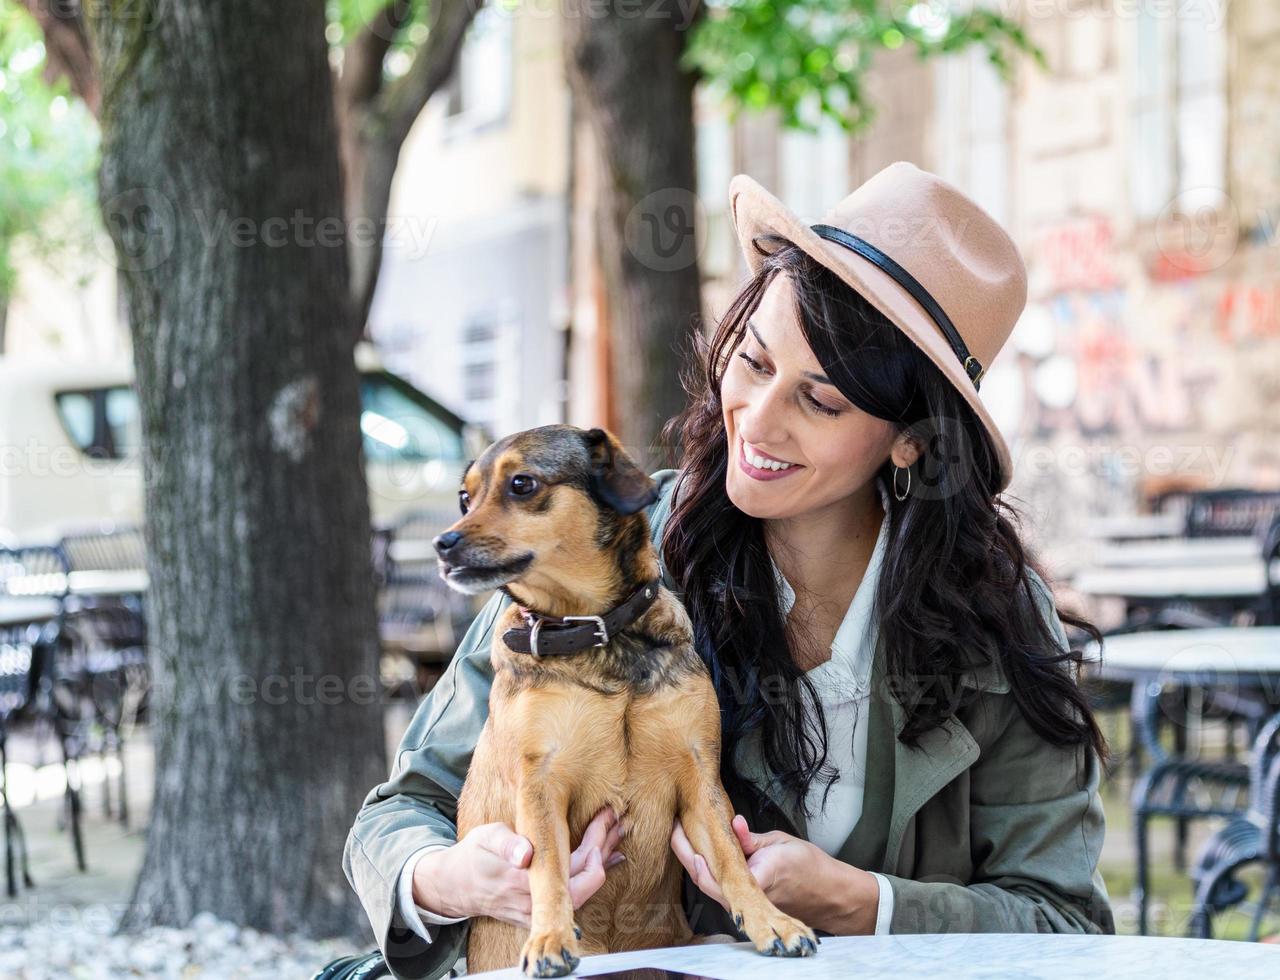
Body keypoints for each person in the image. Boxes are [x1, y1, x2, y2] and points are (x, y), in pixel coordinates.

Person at [342, 161, 1115, 980]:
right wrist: (459, 878)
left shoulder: (992, 611)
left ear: (911, 438)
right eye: (752, 361)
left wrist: (868, 905)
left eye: (820, 402)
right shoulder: (617, 554)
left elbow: (1064, 921)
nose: (759, 421)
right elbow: (402, 813)